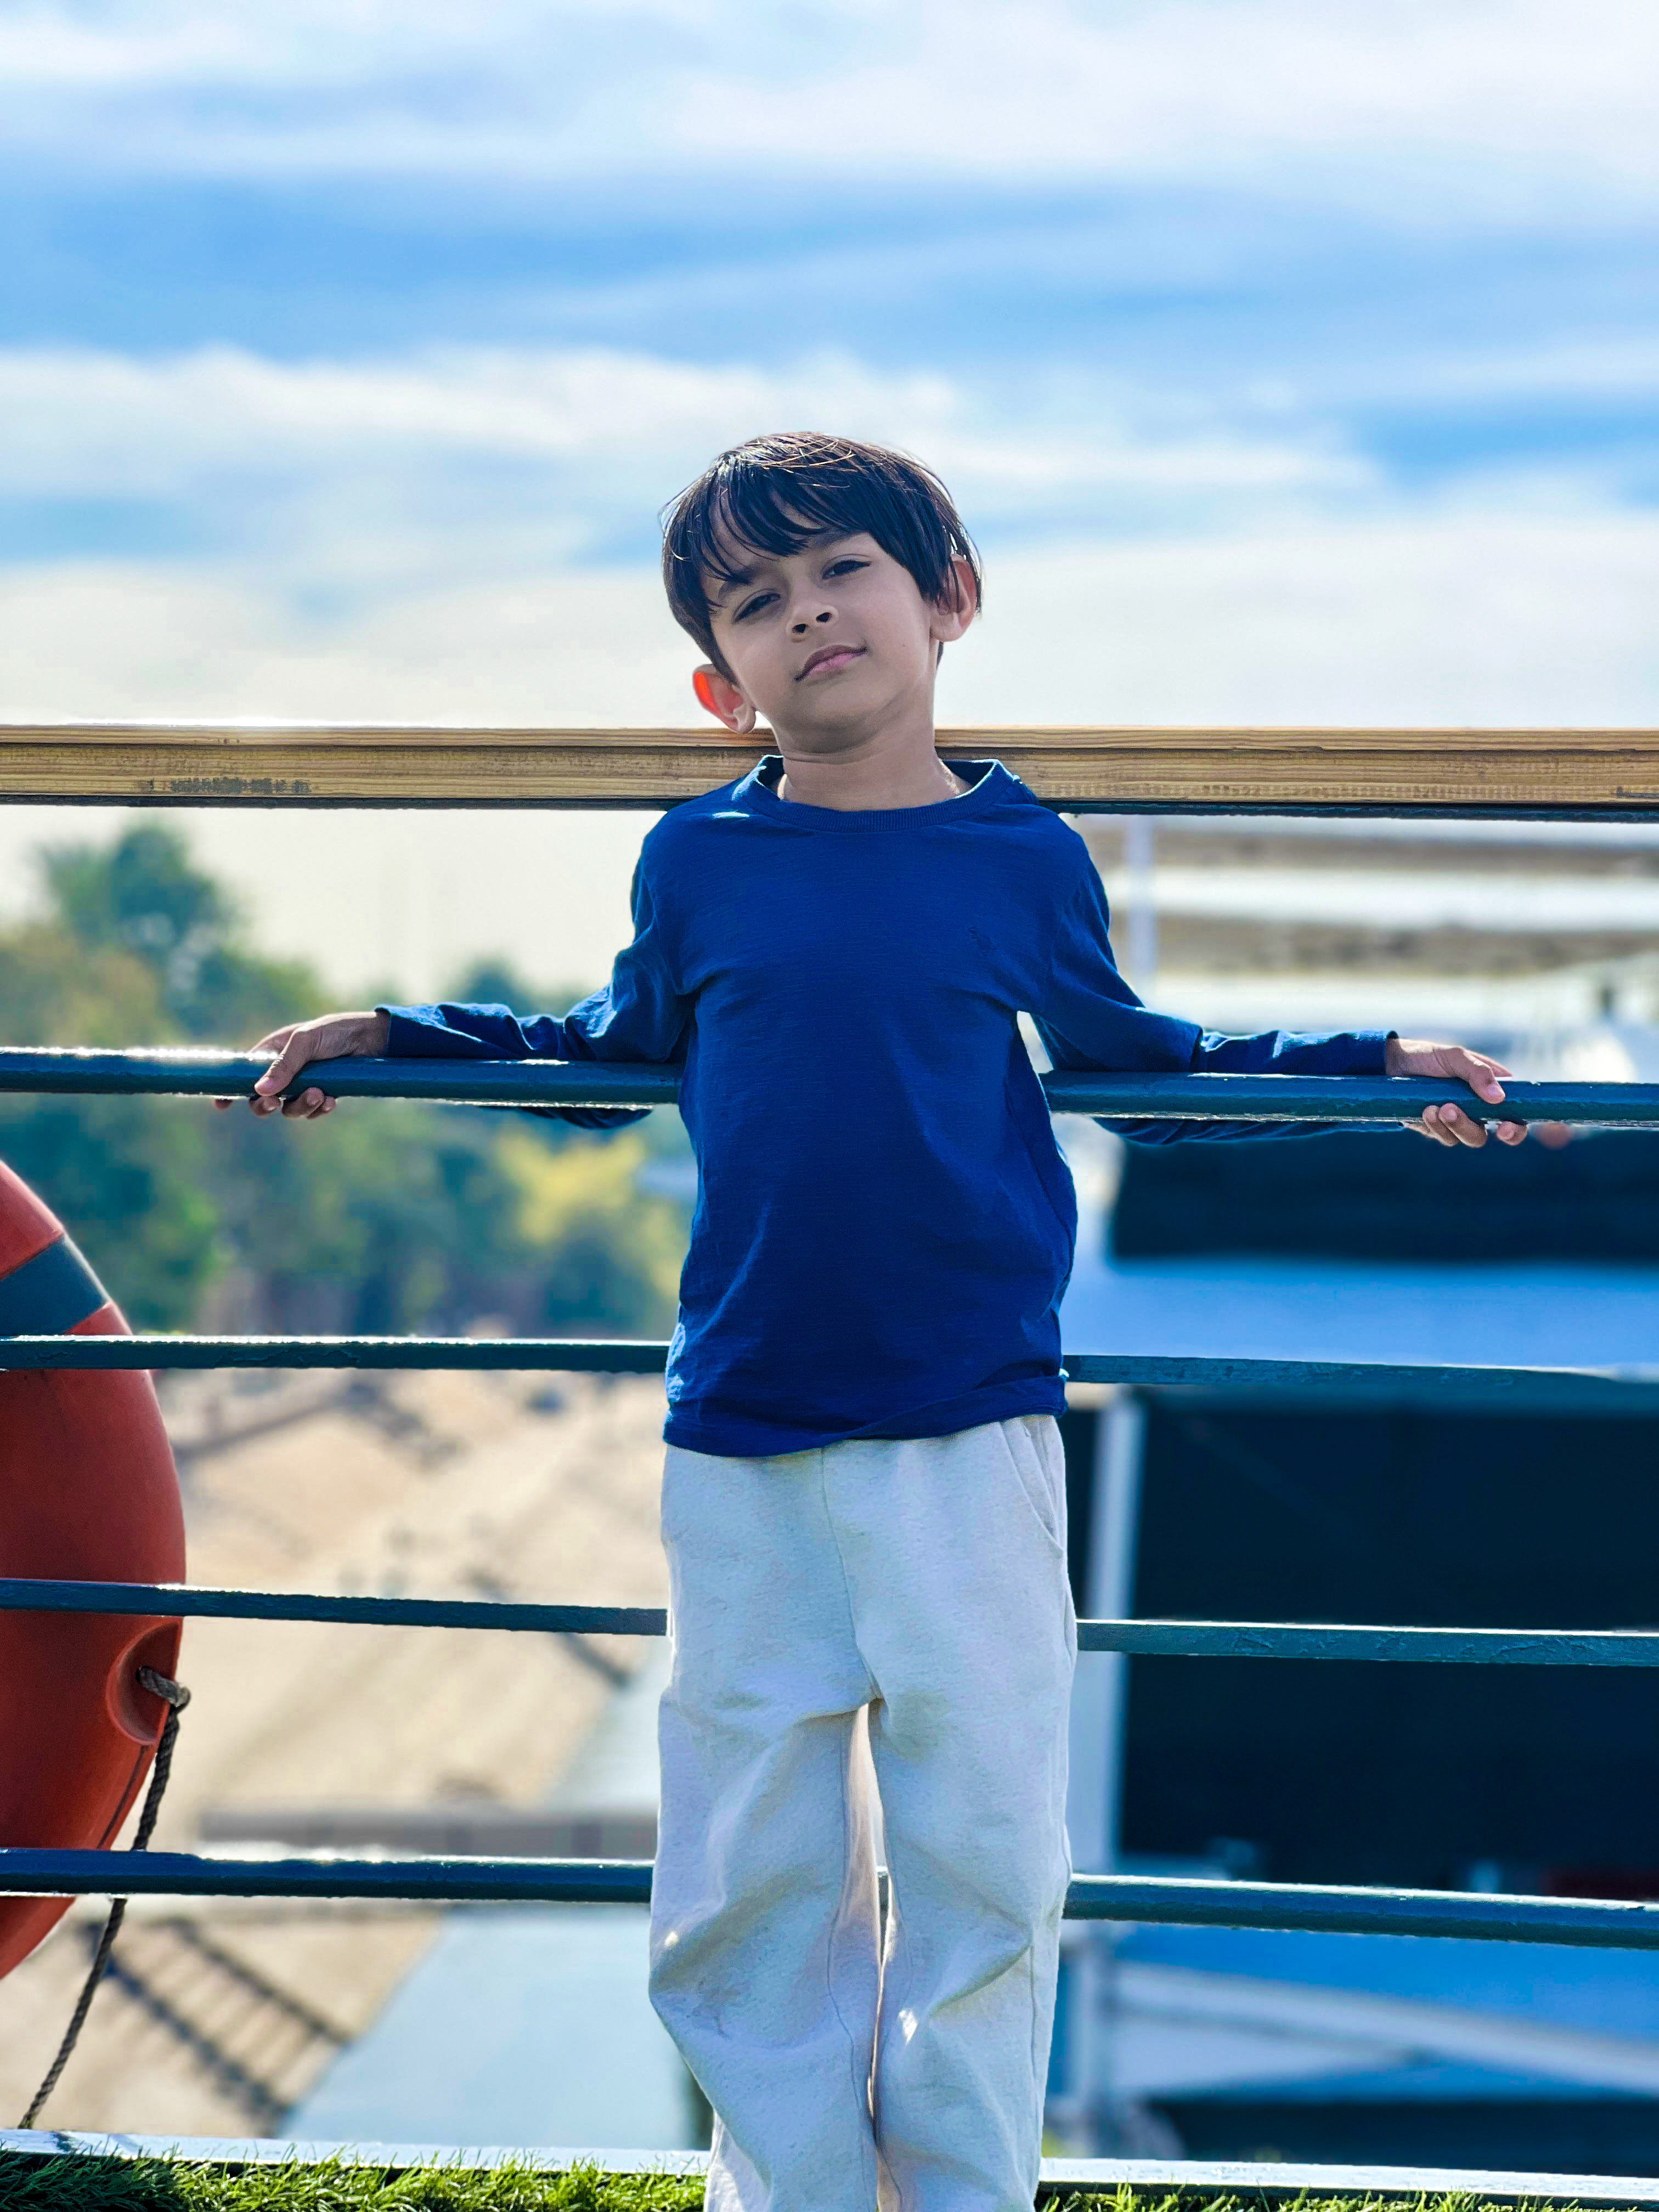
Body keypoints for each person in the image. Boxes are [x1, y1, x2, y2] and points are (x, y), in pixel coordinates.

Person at [230, 433, 1530, 2211]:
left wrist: (1374, 1069)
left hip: (968, 1426)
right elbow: (609, 1059)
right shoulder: (697, 861)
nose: (810, 613)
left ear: (948, 601)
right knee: (746, 1871)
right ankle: (793, 2195)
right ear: (719, 684)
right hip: (743, 1430)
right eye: (755, 600)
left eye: (844, 568)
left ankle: (965, 2193)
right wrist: (400, 1040)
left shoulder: (1020, 855)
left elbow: (1146, 1070)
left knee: (984, 1854)